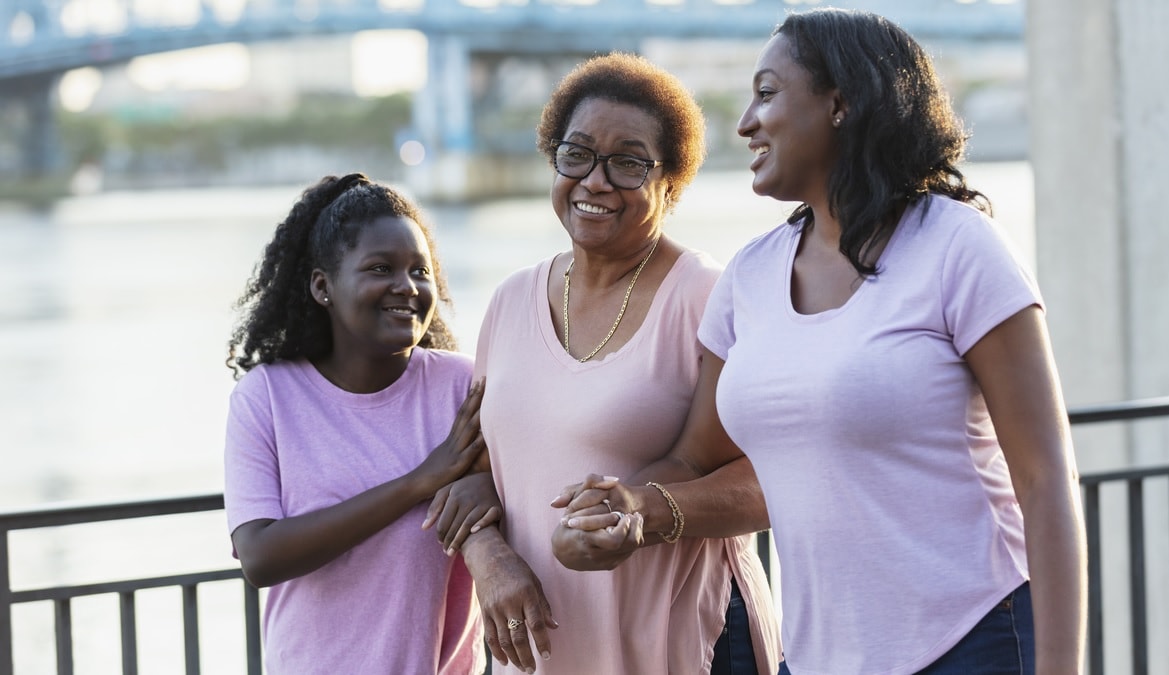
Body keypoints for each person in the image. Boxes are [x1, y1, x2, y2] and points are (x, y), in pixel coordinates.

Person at [555, 8, 1086, 674]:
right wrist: (630, 507)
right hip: (815, 657)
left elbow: (1045, 480)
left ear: (840, 102)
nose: (745, 120)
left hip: (974, 638)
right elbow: (695, 460)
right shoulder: (747, 277)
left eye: (767, 92)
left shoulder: (960, 247)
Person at [439, 53, 782, 674]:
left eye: (627, 163)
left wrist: (640, 514)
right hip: (551, 646)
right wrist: (488, 558)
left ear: (671, 182)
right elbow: (473, 471)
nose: (595, 181)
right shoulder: (511, 301)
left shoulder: (707, 296)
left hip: (684, 641)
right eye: (577, 154)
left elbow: (770, 482)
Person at [222, 173, 493, 675]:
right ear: (323, 286)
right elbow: (260, 555)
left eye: (420, 270)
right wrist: (418, 482)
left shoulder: (463, 386)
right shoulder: (266, 398)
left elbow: (521, 493)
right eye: (380, 268)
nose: (407, 287)